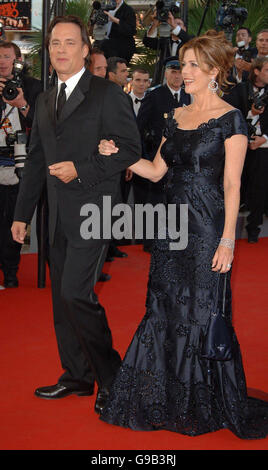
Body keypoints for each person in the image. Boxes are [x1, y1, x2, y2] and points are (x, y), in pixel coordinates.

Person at [98, 30, 268, 439]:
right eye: (182, 63)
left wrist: (229, 239)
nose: (183, 71)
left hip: (208, 228)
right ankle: (161, 395)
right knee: (163, 307)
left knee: (201, 310)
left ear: (215, 71)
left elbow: (232, 186)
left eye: (193, 65)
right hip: (171, 225)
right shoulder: (175, 117)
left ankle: (203, 398)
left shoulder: (232, 119)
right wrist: (119, 155)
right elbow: (157, 171)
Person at [11, 15, 141, 413]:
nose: (61, 50)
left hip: (95, 212)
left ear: (86, 49)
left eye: (69, 43)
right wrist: (22, 214)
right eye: (54, 43)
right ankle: (77, 377)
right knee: (61, 303)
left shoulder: (107, 94)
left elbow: (130, 149)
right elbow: (36, 161)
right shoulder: (46, 100)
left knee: (75, 294)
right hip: (57, 219)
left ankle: (113, 378)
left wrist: (81, 169)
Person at [136, 57, 190, 252]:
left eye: (179, 72)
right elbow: (139, 128)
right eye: (173, 72)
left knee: (178, 200)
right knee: (156, 201)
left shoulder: (189, 97)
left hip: (181, 161)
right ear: (166, 73)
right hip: (157, 158)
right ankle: (151, 242)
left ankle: (175, 238)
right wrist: (143, 156)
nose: (177, 76)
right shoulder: (154, 96)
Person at [0, 41, 42, 288]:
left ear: (17, 59)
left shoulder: (34, 86)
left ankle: (11, 271)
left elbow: (43, 125)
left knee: (14, 219)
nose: (2, 62)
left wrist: (22, 104)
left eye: (6, 56)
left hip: (22, 162)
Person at [224, 57, 268, 243]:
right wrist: (251, 114)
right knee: (234, 186)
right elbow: (227, 114)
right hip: (238, 147)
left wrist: (264, 139)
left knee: (260, 189)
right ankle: (227, 230)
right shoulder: (240, 90)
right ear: (256, 71)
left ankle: (253, 229)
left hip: (263, 148)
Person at [143, 11, 193, 85]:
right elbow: (148, 42)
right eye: (171, 24)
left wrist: (173, 25)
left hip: (183, 84)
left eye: (178, 24)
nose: (173, 25)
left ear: (184, 28)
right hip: (163, 81)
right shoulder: (164, 41)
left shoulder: (189, 42)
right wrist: (155, 24)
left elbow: (193, 43)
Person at [98, 0, 136, 64]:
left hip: (122, 47)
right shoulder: (107, 8)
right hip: (107, 44)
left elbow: (131, 30)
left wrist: (115, 20)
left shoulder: (128, 10)